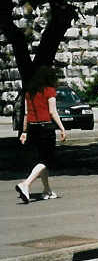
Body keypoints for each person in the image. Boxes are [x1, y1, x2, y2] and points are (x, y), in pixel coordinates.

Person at [15, 66, 67, 203]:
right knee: (47, 160)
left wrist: (24, 132)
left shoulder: (29, 92)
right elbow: (52, 112)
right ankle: (26, 184)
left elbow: (26, 114)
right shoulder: (49, 90)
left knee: (41, 160)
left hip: (32, 128)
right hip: (45, 128)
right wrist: (62, 128)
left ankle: (47, 190)